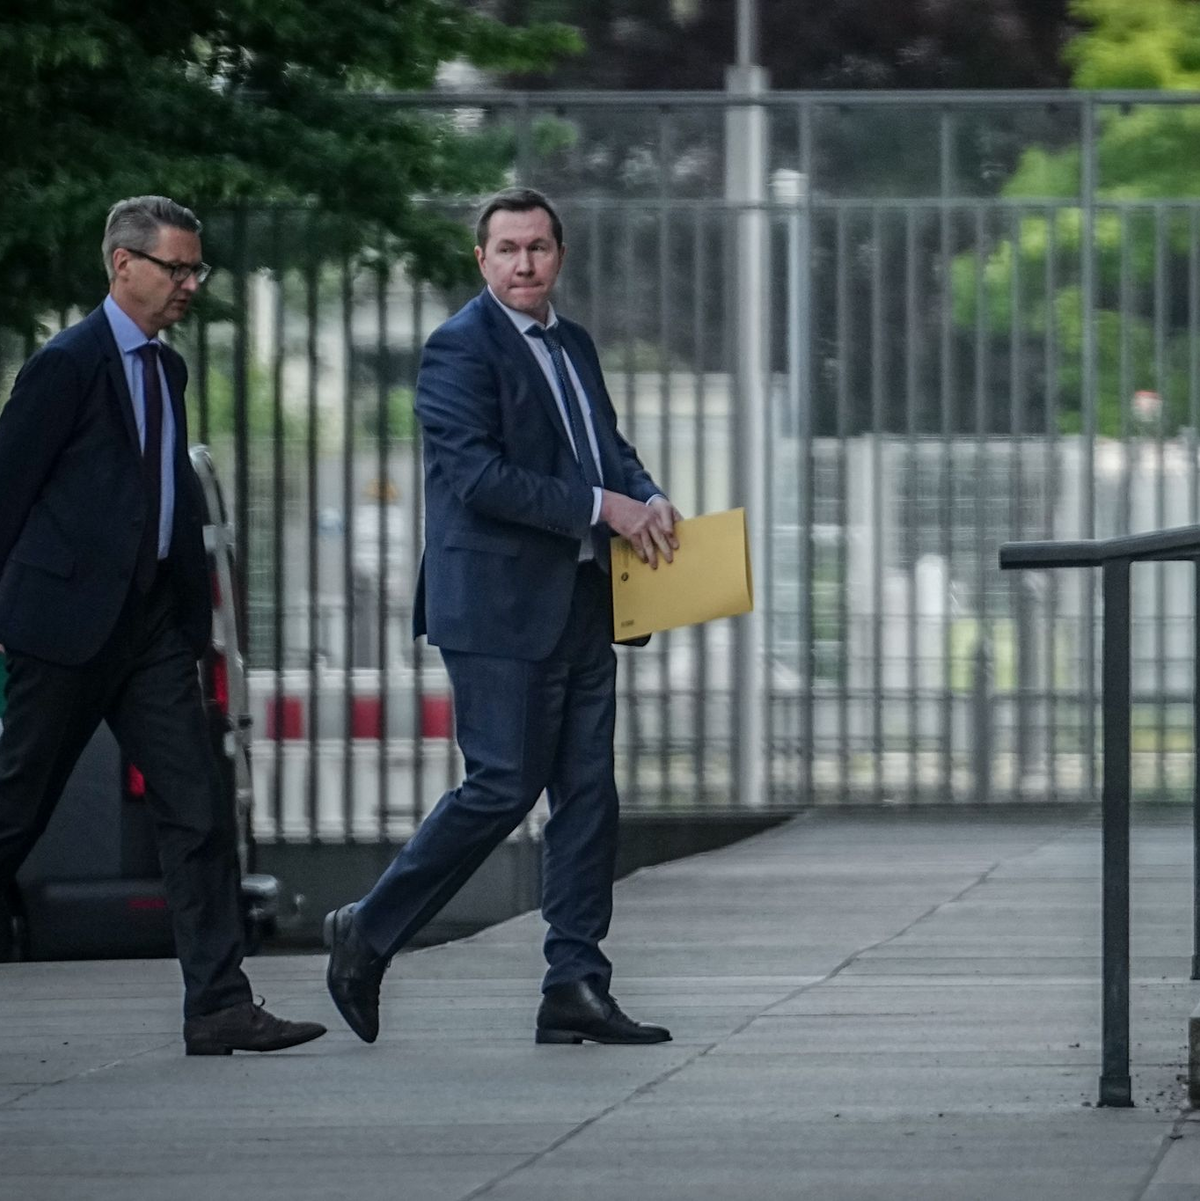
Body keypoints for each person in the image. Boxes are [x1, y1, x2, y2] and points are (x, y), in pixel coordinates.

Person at [326, 187, 681, 1046]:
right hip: (493, 608)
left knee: (590, 797)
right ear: (480, 260)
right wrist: (606, 506)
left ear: (560, 254)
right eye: (508, 249)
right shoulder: (458, 349)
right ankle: (369, 929)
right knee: (499, 787)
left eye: (539, 247)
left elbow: (606, 448)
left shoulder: (574, 344)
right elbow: (481, 479)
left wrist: (648, 495)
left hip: (585, 602)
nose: (525, 263)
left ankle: (575, 983)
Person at [0, 196, 325, 1056]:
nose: (189, 284)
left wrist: (188, 630)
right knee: (15, 809)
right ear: (121, 265)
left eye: (195, 269)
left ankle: (218, 1002)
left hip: (147, 632)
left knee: (198, 808)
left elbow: (166, 504)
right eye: (175, 268)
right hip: (62, 627)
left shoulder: (168, 370)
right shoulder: (66, 365)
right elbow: (7, 493)